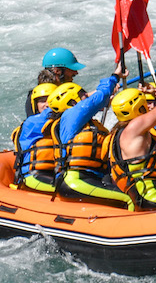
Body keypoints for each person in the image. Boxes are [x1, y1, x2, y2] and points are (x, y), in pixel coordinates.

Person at [51, 63, 132, 207]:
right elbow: (97, 99)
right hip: (75, 180)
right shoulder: (71, 115)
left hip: (91, 178)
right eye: (84, 96)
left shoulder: (82, 123)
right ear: (71, 101)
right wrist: (115, 77)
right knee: (129, 198)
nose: (87, 97)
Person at [11, 82, 60, 192]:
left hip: (53, 172)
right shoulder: (32, 122)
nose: (47, 104)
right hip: (34, 175)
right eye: (42, 101)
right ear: (35, 104)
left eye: (50, 100)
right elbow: (47, 116)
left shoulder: (57, 122)